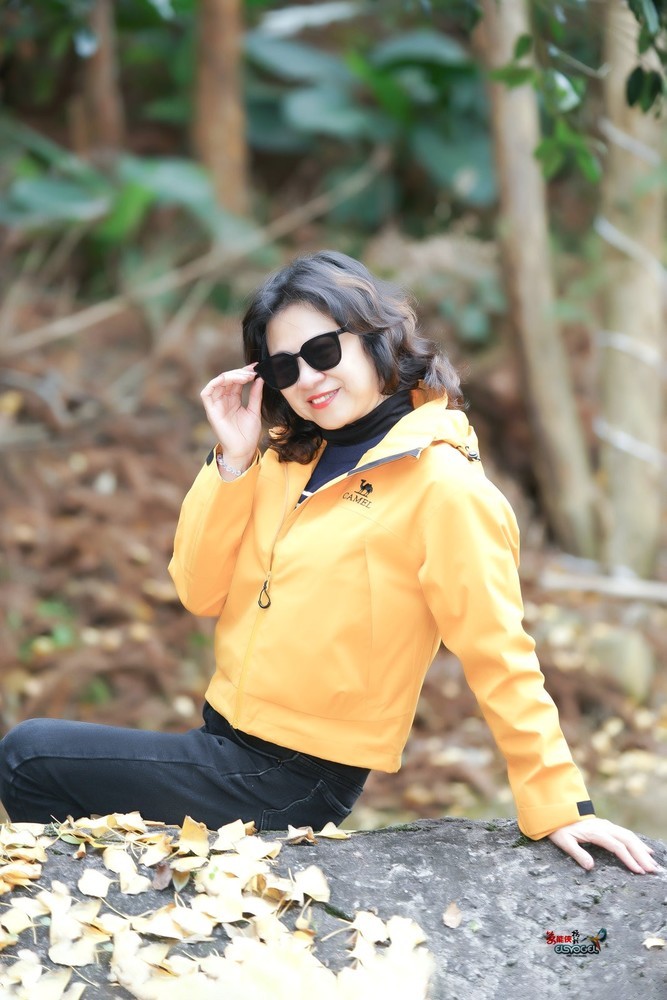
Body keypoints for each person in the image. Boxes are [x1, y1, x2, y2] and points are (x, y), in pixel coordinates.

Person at [0, 251, 658, 876]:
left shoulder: (444, 488)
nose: (308, 379)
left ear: (377, 337)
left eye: (322, 352)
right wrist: (232, 461)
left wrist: (559, 804)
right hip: (224, 739)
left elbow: (500, 652)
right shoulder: (290, 457)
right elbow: (199, 592)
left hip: (295, 778)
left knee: (27, 759)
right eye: (284, 367)